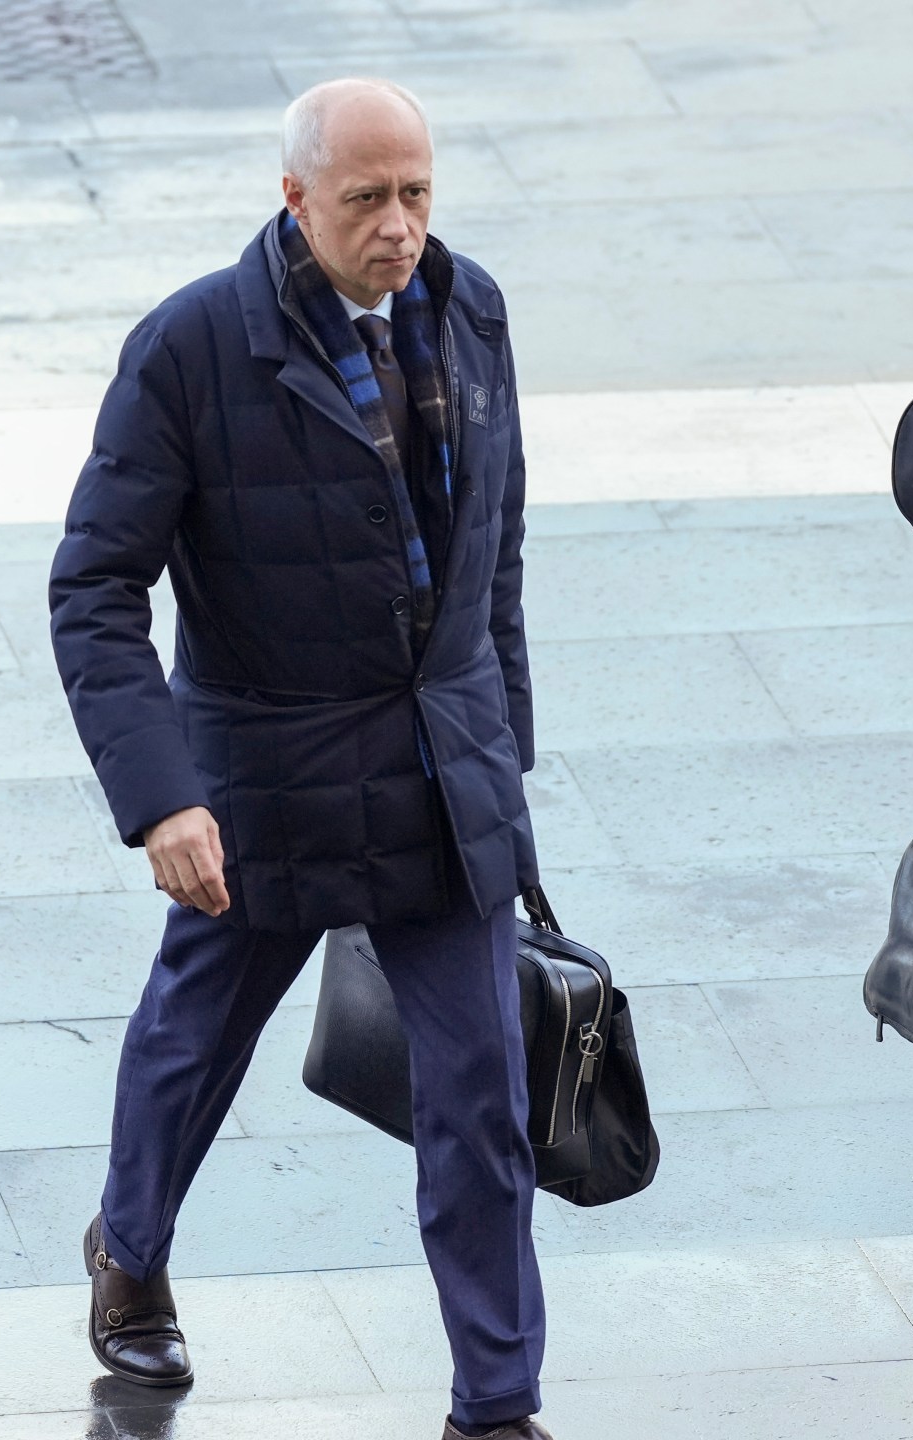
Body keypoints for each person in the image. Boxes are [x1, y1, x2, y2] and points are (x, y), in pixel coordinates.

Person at [49, 78, 554, 1440]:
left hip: (444, 774)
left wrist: (504, 745)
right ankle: (131, 1253)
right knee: (192, 1044)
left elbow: (492, 553)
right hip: (261, 780)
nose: (399, 229)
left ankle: (498, 1404)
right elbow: (95, 588)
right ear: (294, 199)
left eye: (418, 195)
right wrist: (162, 800)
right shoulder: (191, 349)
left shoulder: (476, 312)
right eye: (365, 202)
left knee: (482, 1105)